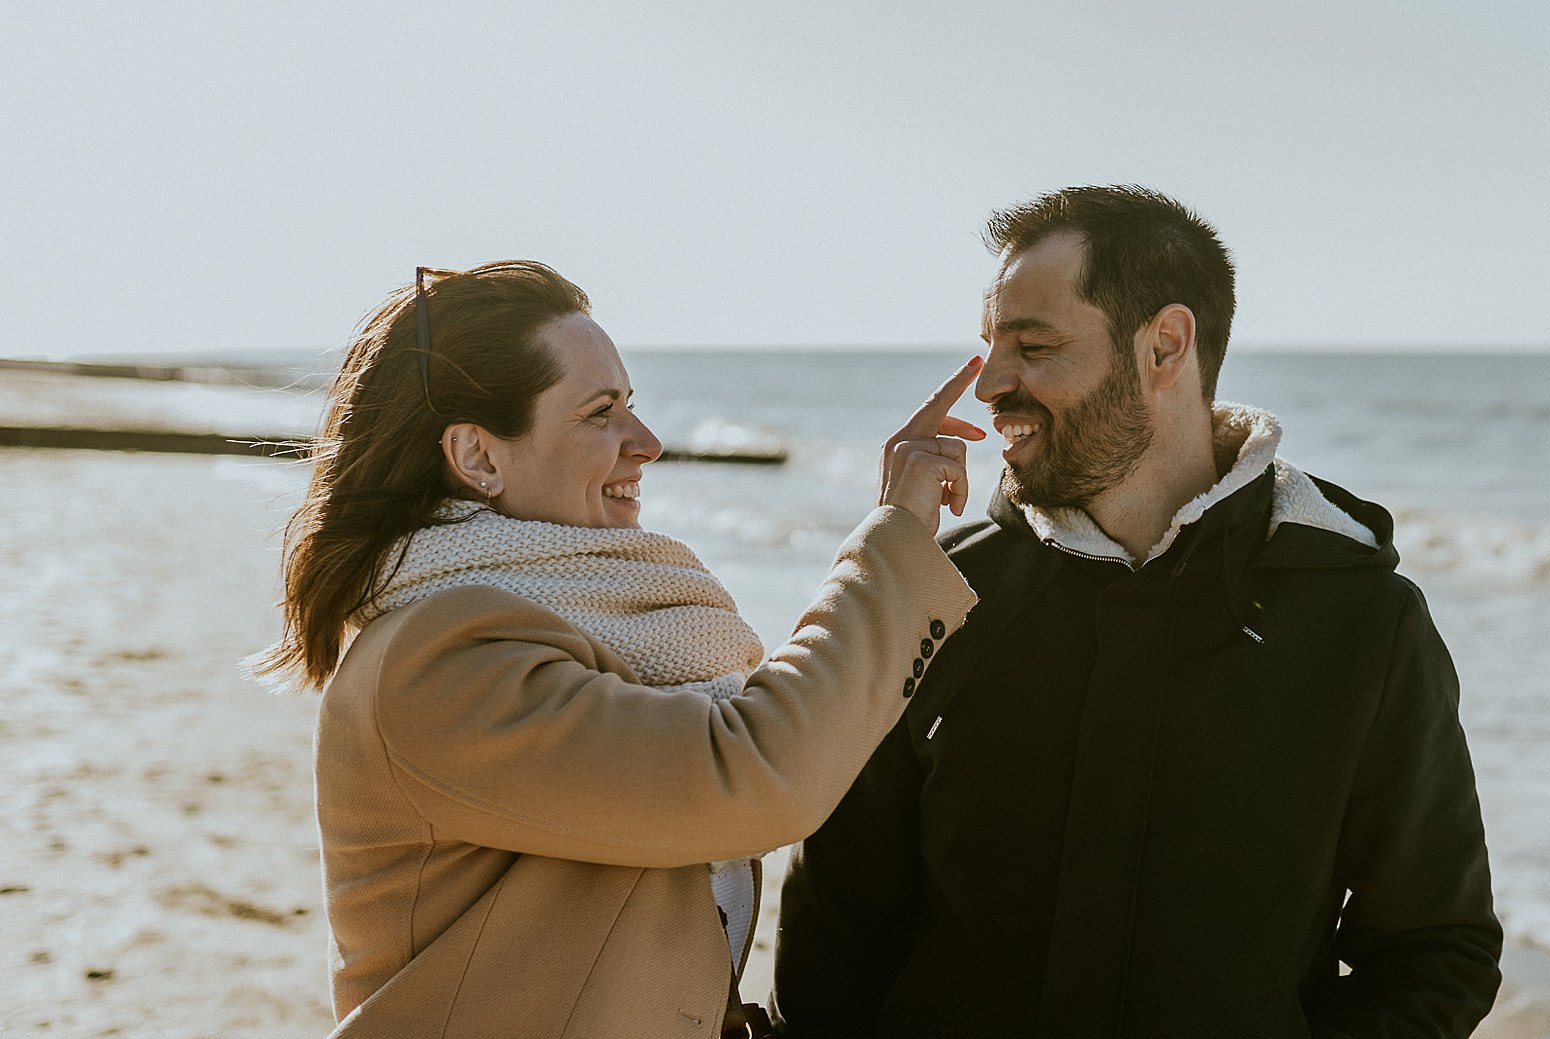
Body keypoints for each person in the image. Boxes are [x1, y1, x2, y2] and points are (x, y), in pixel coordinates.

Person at [771, 186, 1503, 1037]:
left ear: (1164, 346)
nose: (993, 385)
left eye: (1033, 345)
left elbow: (1434, 949)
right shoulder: (939, 600)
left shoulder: (1364, 621)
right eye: (990, 347)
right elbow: (832, 949)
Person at [255, 261, 984, 1038]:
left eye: (631, 405)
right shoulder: (441, 657)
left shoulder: (568, 628)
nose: (648, 442)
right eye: (600, 413)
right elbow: (747, 775)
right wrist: (895, 542)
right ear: (477, 456)